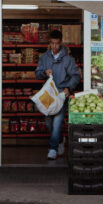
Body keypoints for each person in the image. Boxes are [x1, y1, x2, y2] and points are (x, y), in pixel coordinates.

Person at [35, 29, 80, 160]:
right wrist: (44, 72)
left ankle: (52, 149)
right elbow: (37, 73)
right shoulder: (44, 58)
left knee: (57, 123)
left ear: (61, 43)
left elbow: (76, 76)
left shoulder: (68, 59)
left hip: (61, 94)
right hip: (48, 95)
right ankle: (60, 140)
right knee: (48, 123)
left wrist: (68, 88)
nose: (54, 46)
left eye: (57, 43)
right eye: (52, 43)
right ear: (49, 43)